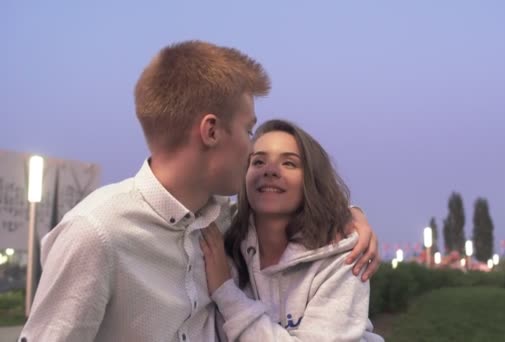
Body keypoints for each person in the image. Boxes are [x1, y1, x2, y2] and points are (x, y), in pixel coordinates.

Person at [19, 40, 380, 342]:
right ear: (211, 132)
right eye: (248, 130)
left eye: (288, 162)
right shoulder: (96, 234)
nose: (254, 151)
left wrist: (351, 217)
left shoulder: (219, 221)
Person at [200, 119, 384, 341]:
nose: (270, 171)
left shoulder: (345, 255)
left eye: (289, 163)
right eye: (258, 162)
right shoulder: (222, 240)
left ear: (311, 180)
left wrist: (226, 293)